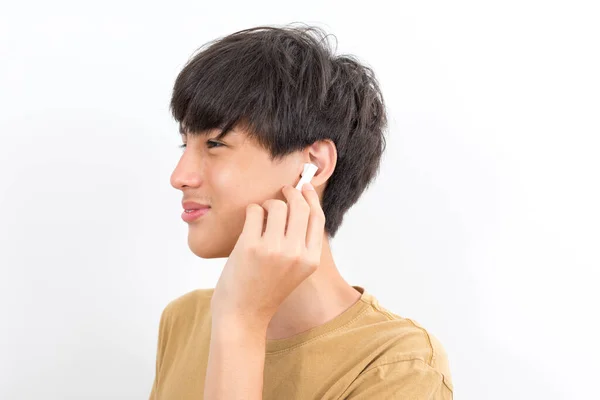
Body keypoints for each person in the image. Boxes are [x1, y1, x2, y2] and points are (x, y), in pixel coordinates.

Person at [149, 24, 453, 399]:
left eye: (214, 143)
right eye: (184, 145)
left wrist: (242, 325)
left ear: (313, 165)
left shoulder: (396, 366)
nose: (179, 177)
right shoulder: (184, 320)